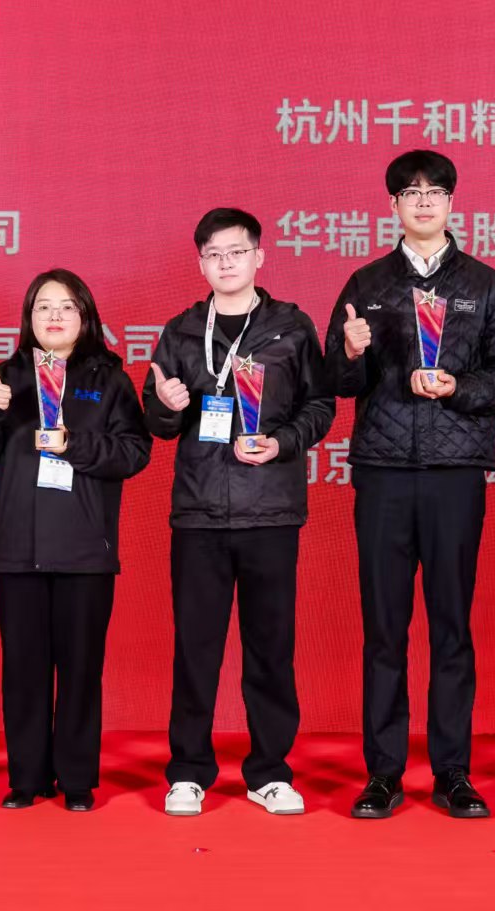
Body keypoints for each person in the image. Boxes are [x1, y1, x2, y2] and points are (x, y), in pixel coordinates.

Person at [323, 150, 495, 819]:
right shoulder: (367, 282)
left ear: (450, 202)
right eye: (409, 192)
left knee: (451, 626)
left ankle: (452, 772)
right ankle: (383, 773)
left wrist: (457, 387)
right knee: (384, 629)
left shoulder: (484, 283)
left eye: (434, 191)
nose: (422, 201)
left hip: (454, 473)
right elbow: (338, 382)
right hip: (383, 471)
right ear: (392, 205)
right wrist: (349, 350)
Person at [143, 209, 335, 817]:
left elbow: (321, 405)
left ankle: (270, 772)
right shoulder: (181, 331)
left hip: (271, 509)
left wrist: (282, 442)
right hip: (199, 511)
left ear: (259, 257)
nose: (225, 263)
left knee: (270, 648)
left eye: (236, 252)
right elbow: (158, 422)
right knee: (195, 648)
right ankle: (188, 771)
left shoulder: (291, 327)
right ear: (200, 263)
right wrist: (167, 405)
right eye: (213, 254)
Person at [0, 270, 150, 812]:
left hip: (85, 550)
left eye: (67, 306)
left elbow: (134, 452)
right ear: (29, 318)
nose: (55, 316)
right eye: (43, 307)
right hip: (17, 549)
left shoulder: (108, 380)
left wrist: (75, 445)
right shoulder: (4, 376)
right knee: (23, 669)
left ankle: (78, 779)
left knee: (81, 669)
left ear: (85, 316)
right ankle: (26, 777)